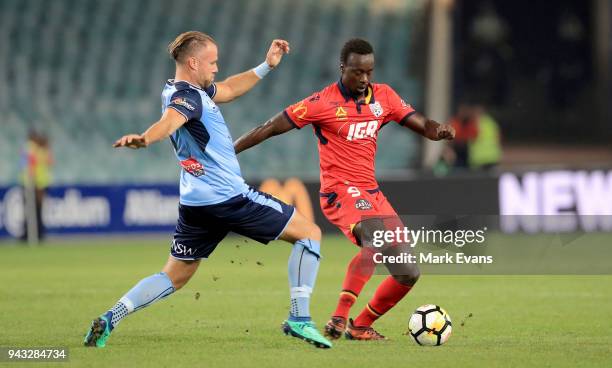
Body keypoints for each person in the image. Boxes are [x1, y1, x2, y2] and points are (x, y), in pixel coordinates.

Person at [83, 31, 332, 349]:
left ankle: (110, 318)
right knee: (309, 233)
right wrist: (144, 139)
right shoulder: (186, 99)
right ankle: (300, 318)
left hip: (195, 203)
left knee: (174, 276)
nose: (216, 68)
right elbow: (169, 122)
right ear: (193, 62)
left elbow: (229, 88)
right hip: (228, 197)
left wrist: (266, 65)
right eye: (212, 62)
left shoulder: (183, 90)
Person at [234, 38, 455, 340]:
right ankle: (339, 318)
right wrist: (229, 151)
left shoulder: (384, 97)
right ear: (342, 68)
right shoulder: (321, 103)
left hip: (372, 193)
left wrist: (438, 130)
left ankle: (360, 326)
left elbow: (421, 123)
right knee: (375, 239)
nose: (364, 79)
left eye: (369, 72)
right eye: (357, 72)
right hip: (340, 192)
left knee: (407, 272)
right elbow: (270, 127)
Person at [20, 130, 53, 242]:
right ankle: (35, 234)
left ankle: (32, 235)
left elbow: (34, 165)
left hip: (35, 183)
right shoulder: (37, 149)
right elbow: (47, 163)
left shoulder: (33, 149)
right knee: (35, 211)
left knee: (33, 210)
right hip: (37, 183)